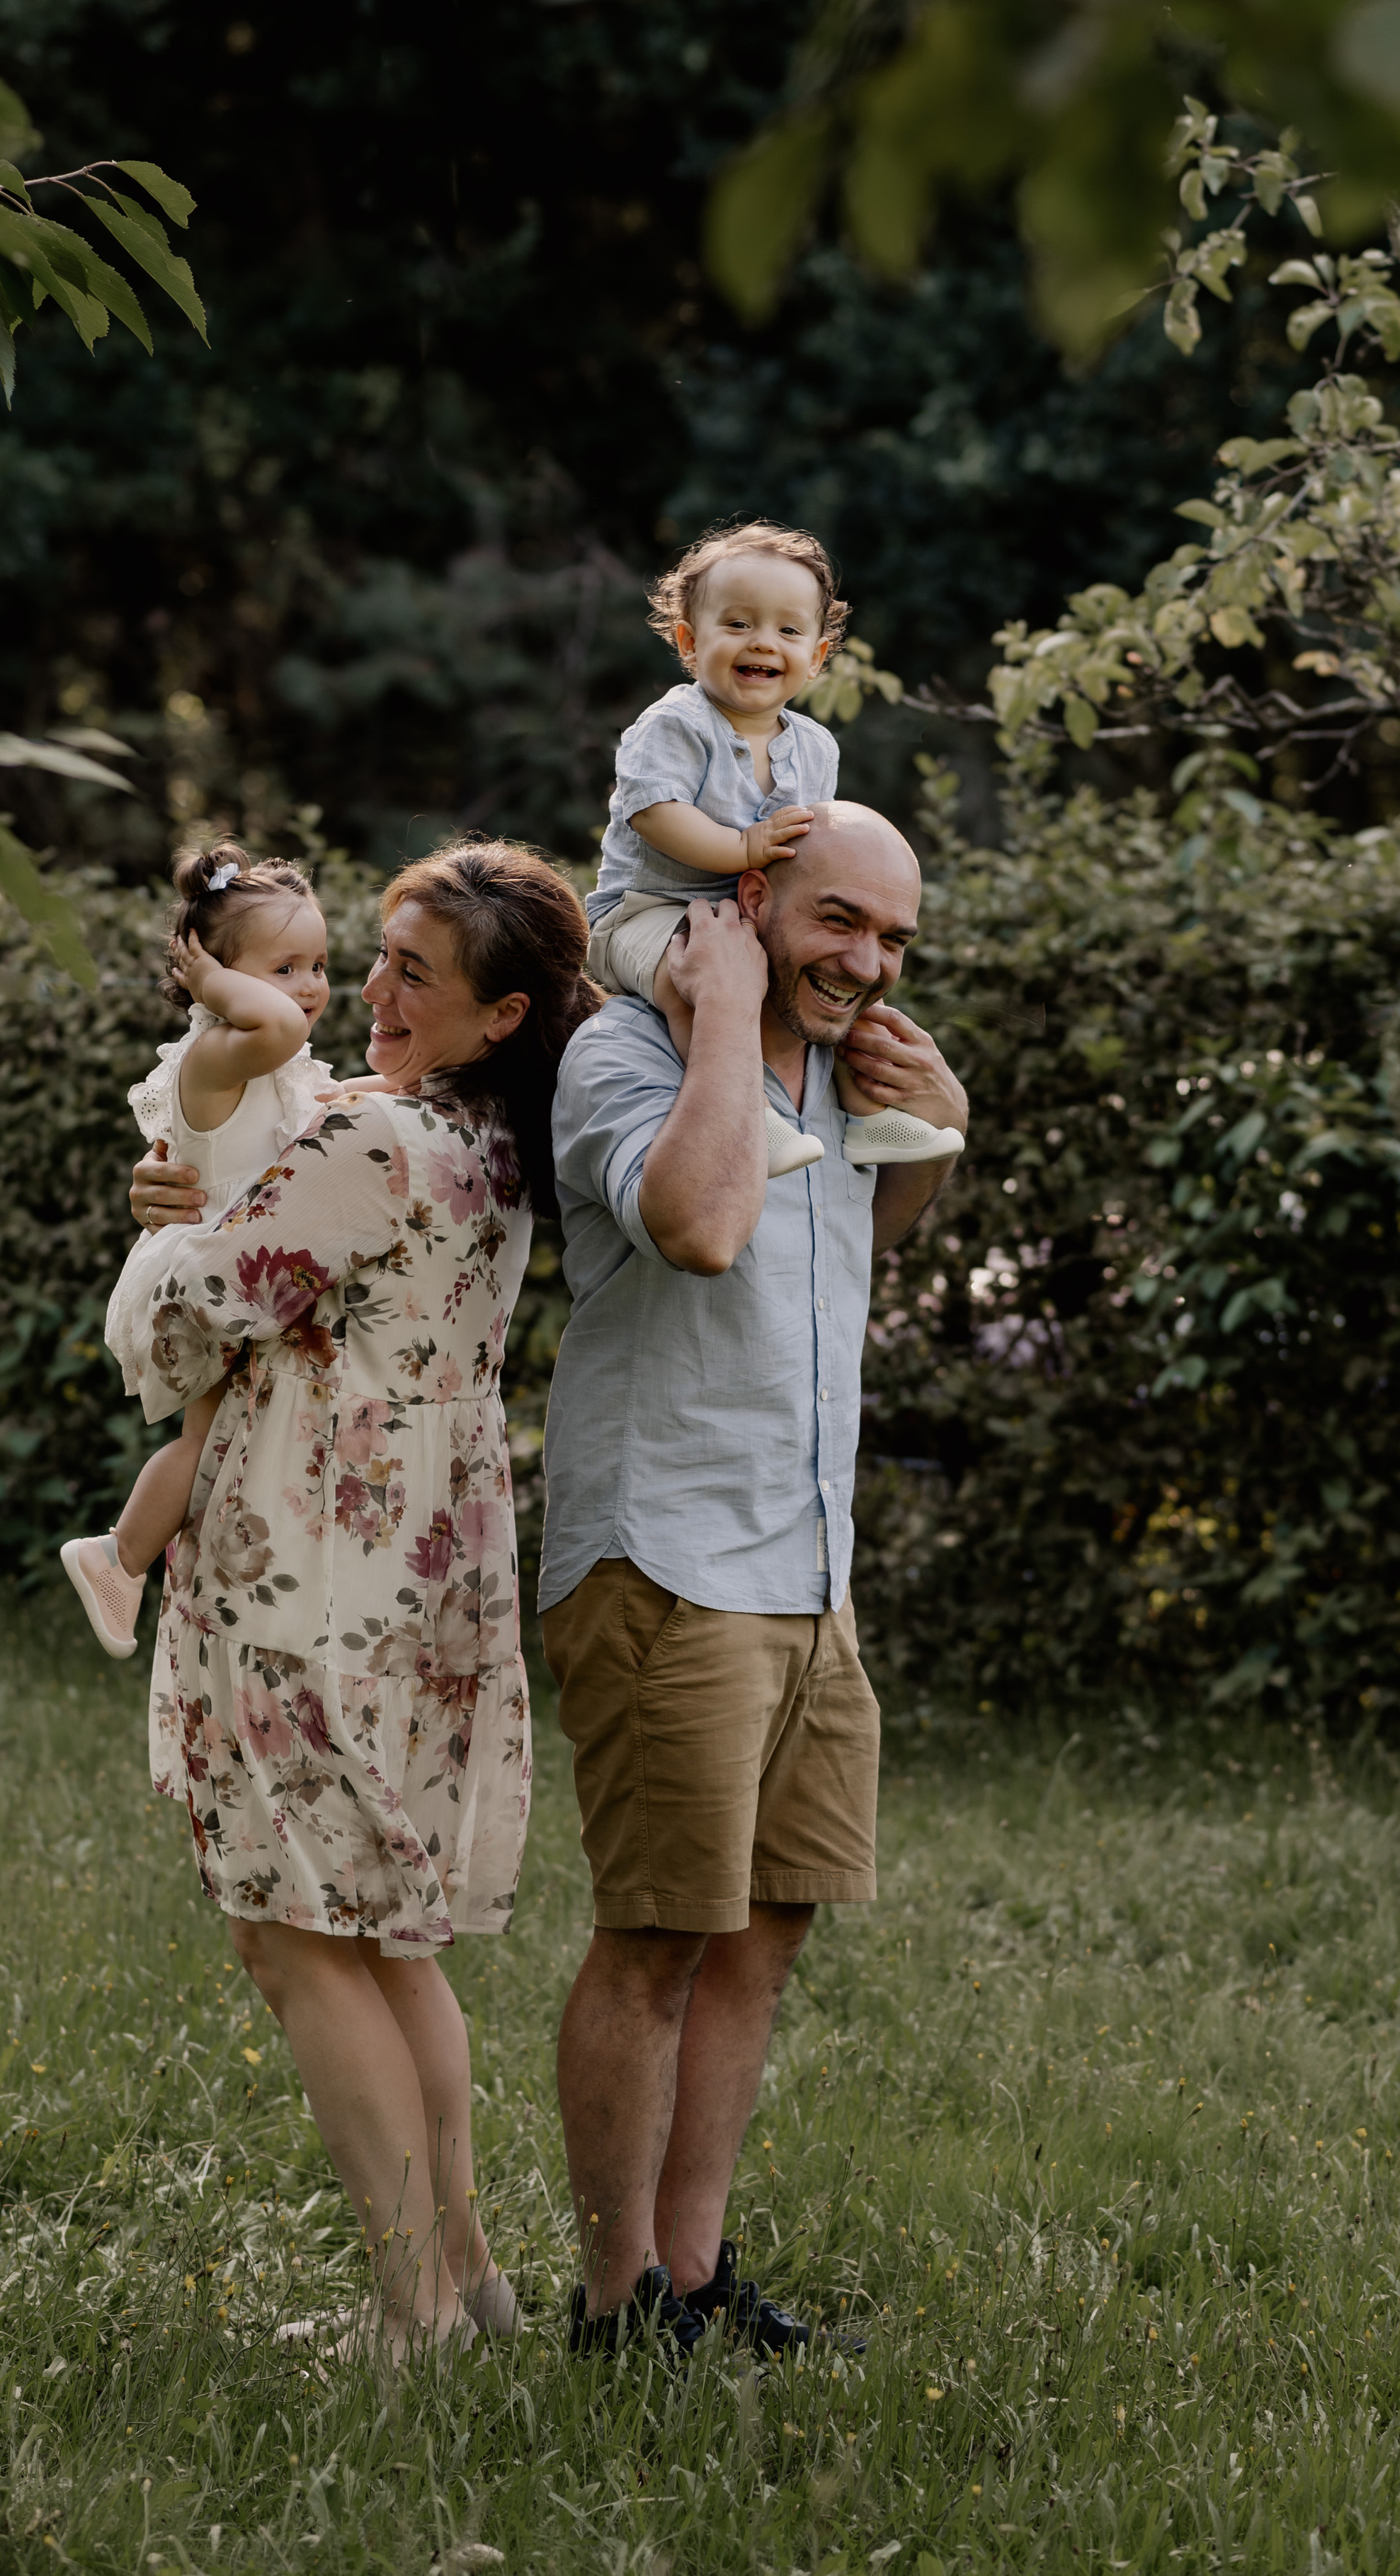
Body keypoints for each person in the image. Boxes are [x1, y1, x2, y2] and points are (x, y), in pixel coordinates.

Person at [123, 841, 601, 2361]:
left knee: (296, 1935)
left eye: (413, 975)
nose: (368, 993)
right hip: (418, 1570)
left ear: (500, 1014)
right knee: (384, 1937)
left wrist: (169, 1217)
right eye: (374, 958)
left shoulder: (368, 1142)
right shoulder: (487, 1147)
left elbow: (193, 1321)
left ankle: (411, 2314)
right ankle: (467, 2282)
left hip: (303, 1561)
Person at [541, 800, 969, 2360]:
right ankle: (609, 2308)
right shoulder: (627, 1056)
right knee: (655, 1936)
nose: (867, 961)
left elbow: (842, 1249)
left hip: (804, 1557)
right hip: (665, 1549)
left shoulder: (831, 1065)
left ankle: (694, 2275)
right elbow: (707, 1227)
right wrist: (722, 1006)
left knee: (767, 1922)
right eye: (837, 921)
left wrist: (931, 1130)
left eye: (895, 937)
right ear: (747, 896)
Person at [585, 521, 964, 1182]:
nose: (763, 642)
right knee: (697, 981)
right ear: (688, 641)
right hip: (647, 913)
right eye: (737, 624)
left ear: (816, 657)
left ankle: (869, 1117)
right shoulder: (675, 724)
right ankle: (747, 1113)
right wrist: (741, 847)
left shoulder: (816, 747)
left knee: (847, 983)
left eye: (788, 631)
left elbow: (815, 852)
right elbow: (654, 813)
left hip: (747, 914)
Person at [61, 844, 337, 1662]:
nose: (311, 988)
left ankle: (132, 1557)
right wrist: (208, 982)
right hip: (210, 1276)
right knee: (205, 1439)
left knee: (225, 1440)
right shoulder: (221, 1052)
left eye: (319, 964)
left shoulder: (273, 1057)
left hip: (240, 1275)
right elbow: (281, 1024)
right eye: (284, 967)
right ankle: (118, 1556)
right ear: (216, 979)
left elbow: (333, 1106)